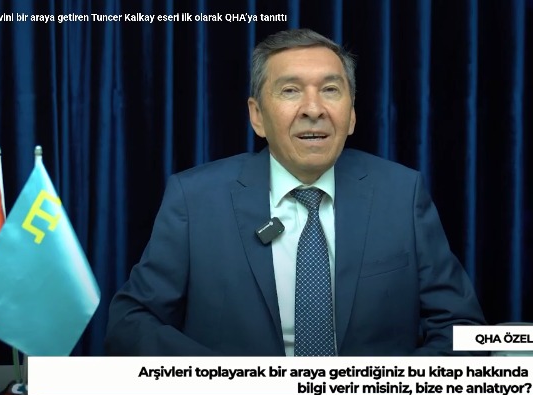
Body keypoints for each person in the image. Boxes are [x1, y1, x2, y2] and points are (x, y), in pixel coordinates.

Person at [105, 28, 486, 357]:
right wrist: (223, 381)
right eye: (290, 91)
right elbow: (130, 322)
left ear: (352, 115)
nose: (313, 109)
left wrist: (386, 388)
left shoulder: (401, 193)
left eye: (330, 90)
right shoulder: (196, 198)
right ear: (257, 116)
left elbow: (461, 327)